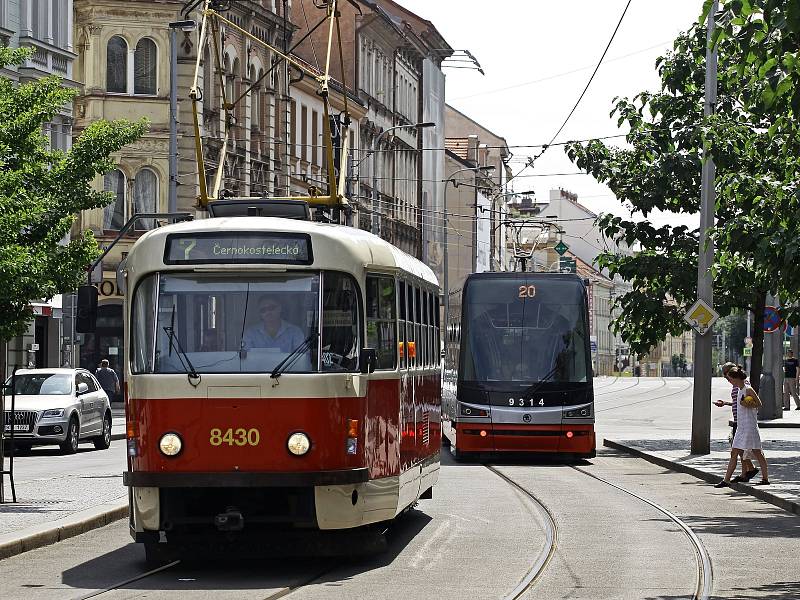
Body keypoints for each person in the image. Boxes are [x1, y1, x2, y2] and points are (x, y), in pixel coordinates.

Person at [715, 366, 770, 487]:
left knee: (757, 452)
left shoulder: (748, 389)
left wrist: (747, 403)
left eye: (731, 379)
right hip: (741, 426)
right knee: (734, 452)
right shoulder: (739, 389)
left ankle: (765, 478)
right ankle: (726, 480)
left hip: (749, 426)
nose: (730, 381)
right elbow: (738, 404)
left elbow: (759, 404)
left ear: (737, 379)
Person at [714, 362, 757, 481]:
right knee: (739, 449)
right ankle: (745, 473)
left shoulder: (743, 383)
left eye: (725, 374)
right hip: (738, 420)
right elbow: (738, 401)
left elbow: (752, 401)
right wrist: (725, 403)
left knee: (738, 449)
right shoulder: (735, 384)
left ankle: (749, 472)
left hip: (743, 421)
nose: (725, 377)